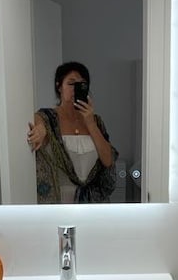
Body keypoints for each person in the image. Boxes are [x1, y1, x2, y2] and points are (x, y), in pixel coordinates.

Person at [26, 61, 118, 203]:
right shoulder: (47, 118)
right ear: (59, 87)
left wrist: (90, 123)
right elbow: (39, 122)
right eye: (71, 83)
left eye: (81, 84)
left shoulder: (96, 122)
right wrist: (42, 129)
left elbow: (108, 160)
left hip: (93, 204)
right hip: (57, 202)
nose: (76, 88)